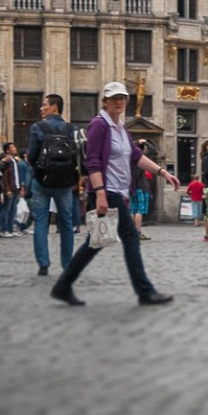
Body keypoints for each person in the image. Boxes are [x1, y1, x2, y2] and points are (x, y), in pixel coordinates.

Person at [49, 82, 178, 307]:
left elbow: (136, 156)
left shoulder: (120, 128)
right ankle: (145, 291)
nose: (119, 102)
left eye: (122, 98)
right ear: (105, 101)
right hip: (107, 191)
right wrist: (99, 194)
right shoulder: (99, 125)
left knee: (95, 242)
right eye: (114, 98)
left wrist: (162, 172)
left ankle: (62, 286)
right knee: (130, 237)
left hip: (117, 191)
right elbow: (93, 161)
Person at [25, 95, 81, 278]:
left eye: (44, 105)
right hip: (64, 182)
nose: (41, 108)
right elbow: (76, 156)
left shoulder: (38, 127)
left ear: (54, 107)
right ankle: (67, 263)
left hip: (42, 182)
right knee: (66, 222)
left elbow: (31, 155)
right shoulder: (71, 129)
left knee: (41, 221)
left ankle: (43, 263)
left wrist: (38, 171)